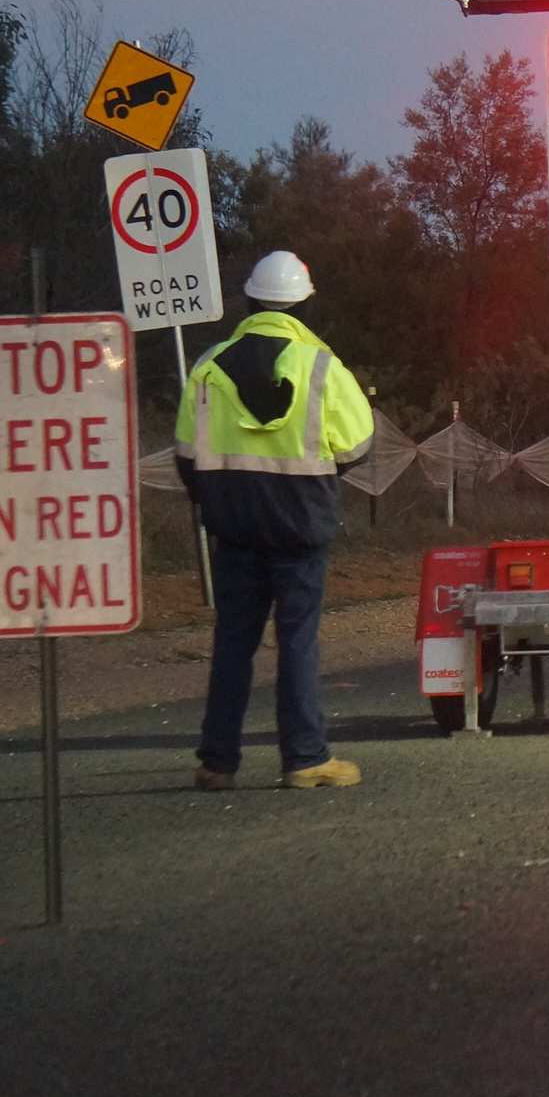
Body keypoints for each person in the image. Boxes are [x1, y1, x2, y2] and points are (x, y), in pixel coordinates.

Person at [176, 250, 376, 789]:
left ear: (250, 301)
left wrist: (217, 502)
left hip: (233, 526)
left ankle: (217, 761)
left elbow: (186, 454)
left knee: (233, 642)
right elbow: (358, 444)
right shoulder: (321, 367)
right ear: (304, 308)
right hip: (299, 526)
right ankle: (305, 758)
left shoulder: (208, 365)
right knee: (297, 640)